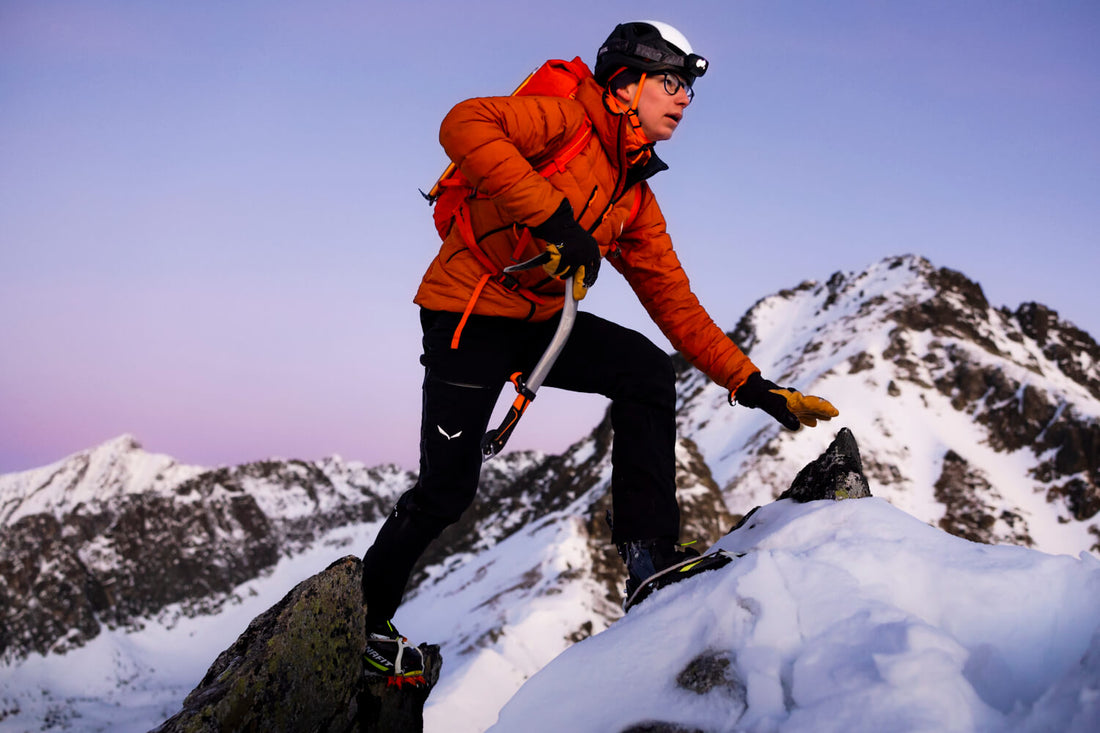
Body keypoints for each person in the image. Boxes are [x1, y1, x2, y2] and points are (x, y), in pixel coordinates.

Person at [360, 20, 837, 683]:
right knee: (446, 489)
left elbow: (675, 302)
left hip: (537, 324)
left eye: (688, 89)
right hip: (465, 314)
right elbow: (463, 125)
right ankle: (362, 621)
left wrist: (751, 383)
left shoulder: (633, 197)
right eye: (671, 83)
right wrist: (556, 220)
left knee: (644, 371)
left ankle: (648, 559)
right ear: (623, 86)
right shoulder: (564, 121)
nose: (684, 99)